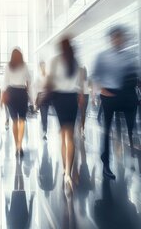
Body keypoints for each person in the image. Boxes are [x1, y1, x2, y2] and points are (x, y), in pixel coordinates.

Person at [92, 26, 139, 180]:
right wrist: (102, 92)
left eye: (121, 37)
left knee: (130, 127)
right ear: (111, 39)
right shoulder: (103, 56)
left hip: (126, 95)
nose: (119, 39)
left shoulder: (128, 56)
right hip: (109, 95)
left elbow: (135, 76)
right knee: (107, 128)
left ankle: (131, 152)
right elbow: (95, 77)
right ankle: (106, 162)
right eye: (116, 37)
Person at [48, 37, 83, 193]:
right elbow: (80, 82)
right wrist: (80, 95)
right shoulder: (75, 61)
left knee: (64, 136)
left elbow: (50, 81)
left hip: (59, 98)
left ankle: (65, 170)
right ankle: (68, 170)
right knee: (71, 136)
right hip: (72, 98)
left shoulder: (56, 61)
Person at [2, 48, 32, 159]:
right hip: (21, 92)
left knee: (14, 121)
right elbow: (29, 79)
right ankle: (20, 145)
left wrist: (3, 94)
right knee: (22, 120)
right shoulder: (24, 65)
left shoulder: (8, 66)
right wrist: (28, 90)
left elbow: (5, 82)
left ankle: (16, 147)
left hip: (11, 93)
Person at [34, 61, 49, 140]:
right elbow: (36, 89)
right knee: (44, 114)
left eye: (44, 65)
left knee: (45, 114)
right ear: (40, 67)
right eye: (41, 66)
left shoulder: (48, 76)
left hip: (47, 97)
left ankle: (44, 129)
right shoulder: (38, 77)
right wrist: (35, 101)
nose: (43, 67)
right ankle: (44, 130)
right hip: (41, 97)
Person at [79, 66, 90, 139]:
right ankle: (81, 128)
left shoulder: (87, 80)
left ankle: (82, 127)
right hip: (80, 96)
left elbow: (90, 87)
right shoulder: (79, 80)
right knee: (82, 113)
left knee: (83, 113)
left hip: (86, 96)